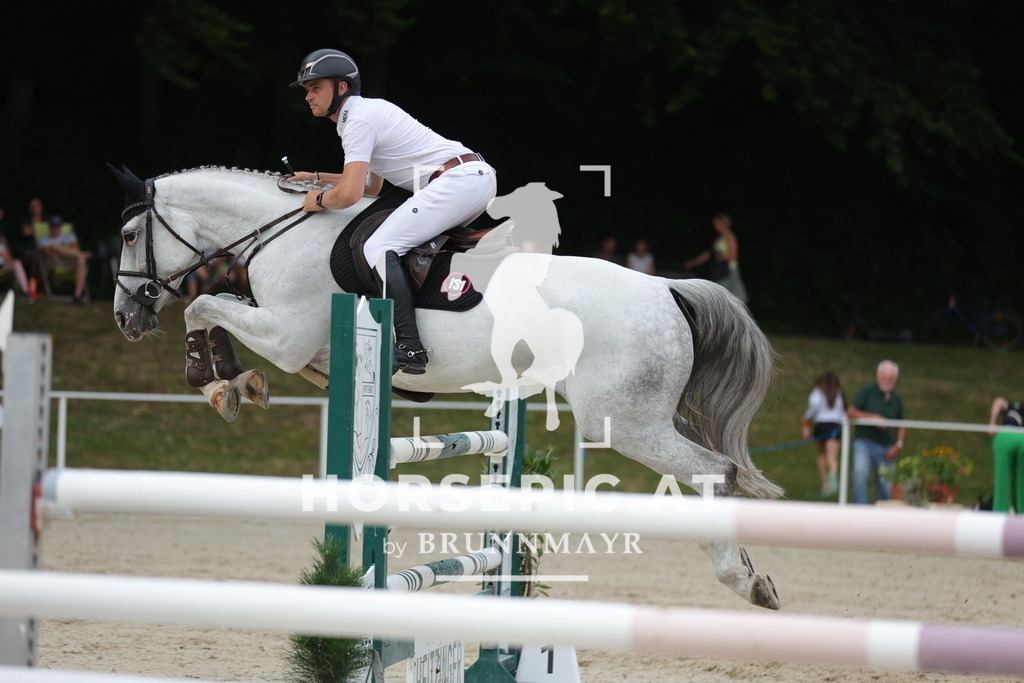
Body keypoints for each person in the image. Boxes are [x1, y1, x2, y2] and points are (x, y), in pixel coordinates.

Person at [286, 49, 496, 375]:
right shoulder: (362, 114)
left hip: (457, 182)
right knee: (397, 245)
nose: (308, 97)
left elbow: (351, 194)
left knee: (380, 247)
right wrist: (315, 177)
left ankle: (409, 346)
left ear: (342, 87)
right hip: (467, 178)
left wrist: (319, 200)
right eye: (307, 90)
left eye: (315, 88)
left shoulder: (357, 120)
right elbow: (371, 185)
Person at [846, 360, 906, 504]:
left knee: (885, 486)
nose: (888, 380)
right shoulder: (868, 391)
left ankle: (883, 517)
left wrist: (898, 445)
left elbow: (901, 425)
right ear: (878, 376)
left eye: (891, 378)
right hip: (864, 444)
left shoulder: (896, 399)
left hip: (886, 447)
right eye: (885, 377)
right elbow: (850, 412)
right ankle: (861, 511)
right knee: (860, 473)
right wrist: (872, 418)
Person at [683, 213, 749, 305]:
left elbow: (733, 255)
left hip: (729, 271)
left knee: (734, 299)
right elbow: (709, 254)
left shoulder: (730, 237)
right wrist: (693, 262)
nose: (715, 226)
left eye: (716, 223)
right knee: (721, 298)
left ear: (723, 223)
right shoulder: (719, 239)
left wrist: (720, 256)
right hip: (719, 271)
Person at [801, 372, 845, 497]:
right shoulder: (837, 392)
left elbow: (813, 406)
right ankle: (833, 479)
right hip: (834, 426)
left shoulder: (817, 391)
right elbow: (842, 412)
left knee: (821, 455)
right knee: (832, 457)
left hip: (820, 425)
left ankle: (826, 485)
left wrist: (807, 417)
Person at [36, 214, 91, 304]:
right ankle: (83, 254)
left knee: (81, 260)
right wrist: (60, 248)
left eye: (57, 225)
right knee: (55, 247)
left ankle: (77, 295)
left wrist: (62, 249)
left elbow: (75, 249)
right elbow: (46, 253)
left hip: (70, 262)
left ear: (60, 226)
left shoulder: (69, 236)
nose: (55, 227)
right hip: (55, 263)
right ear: (49, 226)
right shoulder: (44, 240)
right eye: (53, 225)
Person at [987, 397, 1024, 513]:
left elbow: (998, 401)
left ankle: (1000, 512)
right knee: (1022, 480)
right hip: (1022, 438)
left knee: (1002, 478)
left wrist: (992, 423)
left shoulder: (1013, 405)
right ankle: (1022, 512)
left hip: (1005, 437)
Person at [1, 206, 37, 301]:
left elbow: (8, 257)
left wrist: (8, 259)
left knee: (17, 263)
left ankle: (25, 293)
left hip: (2, 265)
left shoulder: (1, 243)